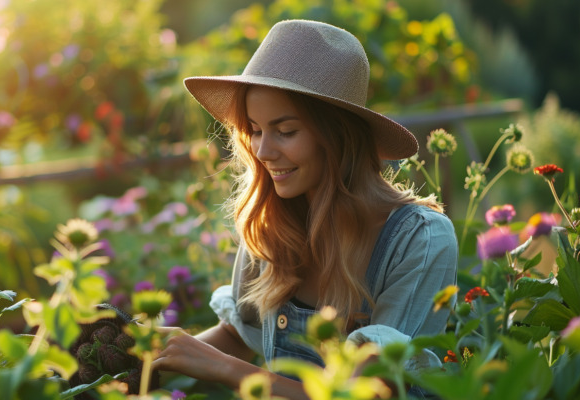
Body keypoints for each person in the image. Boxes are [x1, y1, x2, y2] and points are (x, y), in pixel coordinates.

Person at [151, 20, 458, 399]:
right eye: (256, 130)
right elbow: (239, 332)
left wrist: (223, 368)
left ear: (338, 134)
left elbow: (363, 391)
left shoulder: (419, 240)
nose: (263, 152)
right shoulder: (272, 223)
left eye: (286, 130)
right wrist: (155, 355)